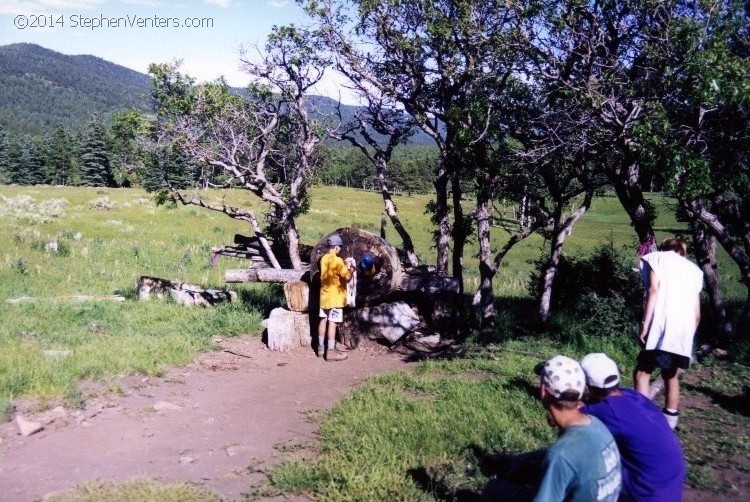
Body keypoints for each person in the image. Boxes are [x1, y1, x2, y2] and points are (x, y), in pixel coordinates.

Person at [483, 355, 621, 501]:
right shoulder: (597, 425)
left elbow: (563, 457)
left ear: (543, 390)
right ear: (581, 390)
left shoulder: (561, 454)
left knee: (494, 488)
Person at [580, 353, 685, 501]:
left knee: (587, 465)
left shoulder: (607, 411)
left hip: (648, 494)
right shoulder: (632, 396)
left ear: (586, 388)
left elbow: (567, 416)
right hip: (671, 486)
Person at [636, 237, 703, 429]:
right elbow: (697, 315)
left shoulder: (656, 258)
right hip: (682, 333)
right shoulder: (695, 271)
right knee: (670, 375)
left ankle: (641, 421)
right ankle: (669, 424)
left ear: (664, 247)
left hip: (661, 329)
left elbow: (653, 290)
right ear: (682, 251)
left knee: (642, 373)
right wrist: (686, 338)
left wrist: (645, 325)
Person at [318, 234, 356, 362]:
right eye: (340, 247)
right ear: (336, 247)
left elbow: (333, 270)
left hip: (324, 296)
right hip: (335, 297)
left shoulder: (323, 259)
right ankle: (330, 352)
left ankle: (320, 348)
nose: (340, 249)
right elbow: (347, 278)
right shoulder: (338, 261)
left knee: (323, 320)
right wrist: (351, 269)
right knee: (332, 323)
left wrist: (343, 264)